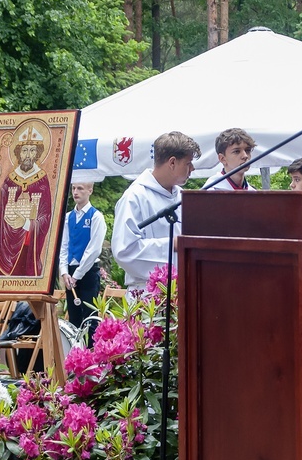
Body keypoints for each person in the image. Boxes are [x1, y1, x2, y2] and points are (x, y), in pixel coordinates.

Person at [112, 131, 201, 294]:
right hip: (147, 293)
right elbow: (124, 251)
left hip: (183, 290)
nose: (192, 168)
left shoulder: (182, 196)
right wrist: (172, 245)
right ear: (172, 162)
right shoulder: (135, 197)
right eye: (188, 163)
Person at [0, 121, 52, 276]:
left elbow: (46, 216)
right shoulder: (10, 178)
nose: (27, 155)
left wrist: (27, 224)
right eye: (24, 150)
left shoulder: (42, 180)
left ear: (38, 153)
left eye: (32, 150)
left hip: (27, 241)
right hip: (5, 239)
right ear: (18, 153)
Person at [58, 182, 107, 346]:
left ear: (90, 190)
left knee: (90, 317)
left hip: (87, 272)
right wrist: (64, 272)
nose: (76, 192)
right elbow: (63, 246)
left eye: (80, 188)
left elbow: (94, 249)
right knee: (73, 318)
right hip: (70, 272)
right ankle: (76, 356)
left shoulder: (96, 217)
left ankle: (93, 355)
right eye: (73, 188)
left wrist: (77, 275)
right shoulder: (67, 217)